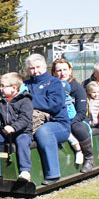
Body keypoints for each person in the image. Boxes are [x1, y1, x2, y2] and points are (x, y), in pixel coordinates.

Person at [24, 54, 71, 185]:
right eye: (32, 68)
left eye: (38, 67)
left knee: (44, 132)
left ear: (45, 66)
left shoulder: (54, 82)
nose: (35, 71)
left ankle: (53, 174)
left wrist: (29, 100)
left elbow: (54, 105)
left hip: (58, 124)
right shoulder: (26, 84)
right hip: (32, 122)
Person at [51, 59, 94, 173]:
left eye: (65, 69)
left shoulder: (77, 88)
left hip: (76, 119)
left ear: (70, 71)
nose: (62, 73)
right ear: (54, 73)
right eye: (59, 70)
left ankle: (89, 157)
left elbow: (81, 111)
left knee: (77, 127)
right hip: (58, 119)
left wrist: (71, 122)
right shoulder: (51, 87)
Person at [0, 72, 34, 182]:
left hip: (22, 132)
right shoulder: (1, 103)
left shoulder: (25, 101)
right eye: (0, 86)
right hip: (5, 132)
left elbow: (24, 119)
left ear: (13, 88)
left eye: (3, 86)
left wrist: (14, 127)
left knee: (22, 140)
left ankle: (25, 171)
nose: (1, 88)